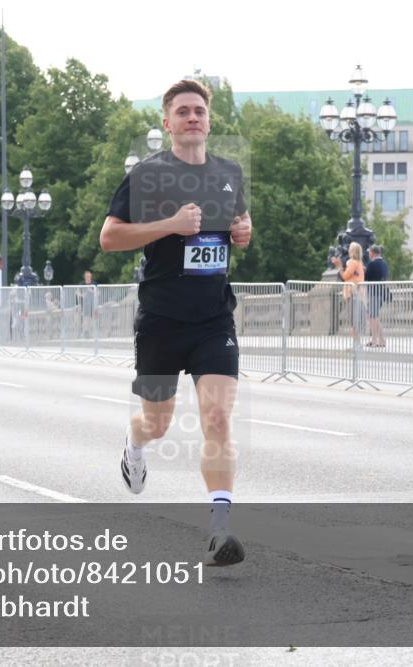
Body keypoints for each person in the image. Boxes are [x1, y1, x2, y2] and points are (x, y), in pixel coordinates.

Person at [100, 79, 252, 567]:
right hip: (162, 319)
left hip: (213, 318)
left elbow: (238, 227)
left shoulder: (229, 173)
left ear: (209, 121)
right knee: (157, 423)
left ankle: (219, 530)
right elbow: (110, 238)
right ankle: (134, 443)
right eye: (182, 111)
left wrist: (244, 231)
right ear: (167, 122)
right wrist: (169, 225)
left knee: (218, 417)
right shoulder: (147, 176)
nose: (192, 117)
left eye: (199, 111)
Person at [330, 242, 366, 345]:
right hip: (357, 294)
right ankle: (357, 343)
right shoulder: (359, 263)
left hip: (353, 294)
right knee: (354, 320)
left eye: (350, 249)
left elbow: (345, 276)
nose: (348, 251)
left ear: (353, 251)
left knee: (353, 321)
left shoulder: (353, 263)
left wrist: (339, 266)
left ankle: (357, 344)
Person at [364, 245, 390, 347]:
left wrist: (364, 270)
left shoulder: (372, 264)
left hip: (374, 293)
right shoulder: (384, 264)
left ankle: (375, 340)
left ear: (373, 253)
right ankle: (381, 340)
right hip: (380, 293)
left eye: (369, 252)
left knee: (373, 317)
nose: (368, 254)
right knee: (374, 317)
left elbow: (366, 278)